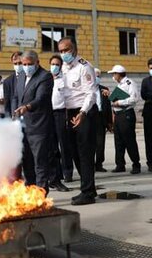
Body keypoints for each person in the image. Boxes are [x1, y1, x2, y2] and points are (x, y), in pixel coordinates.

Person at [58, 36, 98, 206]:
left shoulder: (84, 66)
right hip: (70, 112)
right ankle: (88, 188)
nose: (64, 54)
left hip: (84, 112)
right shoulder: (63, 68)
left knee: (85, 153)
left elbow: (91, 92)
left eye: (66, 50)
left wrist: (82, 112)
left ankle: (87, 193)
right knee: (74, 152)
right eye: (61, 51)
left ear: (74, 49)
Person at [13, 51, 54, 195]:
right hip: (22, 126)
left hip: (38, 126)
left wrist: (27, 107)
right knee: (26, 161)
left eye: (29, 64)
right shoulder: (21, 76)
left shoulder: (45, 76)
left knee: (40, 161)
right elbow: (16, 96)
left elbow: (41, 98)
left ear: (37, 62)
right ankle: (29, 190)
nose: (26, 67)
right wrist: (15, 112)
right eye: (24, 64)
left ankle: (41, 193)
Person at [107, 65, 141, 174]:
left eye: (114, 74)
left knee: (129, 140)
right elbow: (116, 99)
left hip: (126, 114)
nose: (113, 76)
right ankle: (120, 164)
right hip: (118, 115)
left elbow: (134, 98)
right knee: (118, 141)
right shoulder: (120, 85)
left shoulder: (129, 83)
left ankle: (136, 164)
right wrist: (111, 97)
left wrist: (119, 102)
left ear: (118, 74)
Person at [48, 55, 72, 190]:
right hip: (48, 114)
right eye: (52, 64)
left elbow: (68, 98)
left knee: (64, 144)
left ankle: (68, 172)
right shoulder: (46, 80)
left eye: (57, 64)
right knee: (52, 147)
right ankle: (56, 175)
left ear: (61, 66)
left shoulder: (65, 80)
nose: (54, 66)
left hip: (61, 113)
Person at [94, 68, 113, 173]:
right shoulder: (85, 89)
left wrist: (109, 122)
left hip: (101, 118)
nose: (97, 78)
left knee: (100, 143)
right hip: (90, 117)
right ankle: (90, 164)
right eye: (95, 75)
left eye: (98, 76)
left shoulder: (104, 90)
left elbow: (108, 107)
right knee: (89, 143)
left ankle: (99, 164)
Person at [4, 51, 23, 118]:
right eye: (15, 63)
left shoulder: (30, 78)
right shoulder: (7, 81)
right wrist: (8, 118)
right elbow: (7, 103)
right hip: (14, 115)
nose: (18, 65)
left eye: (20, 63)